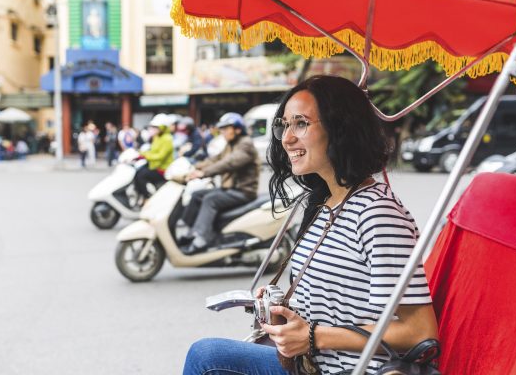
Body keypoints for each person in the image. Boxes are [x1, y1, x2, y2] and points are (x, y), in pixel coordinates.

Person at [183, 76, 438, 374]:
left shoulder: (377, 215)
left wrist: (312, 337)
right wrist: (285, 309)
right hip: (312, 364)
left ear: (340, 129)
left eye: (301, 123)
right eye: (284, 125)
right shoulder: (325, 203)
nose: (286, 138)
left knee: (207, 357)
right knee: (206, 356)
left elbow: (420, 332)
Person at [180, 112, 260, 255]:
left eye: (226, 128)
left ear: (237, 129)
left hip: (243, 191)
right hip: (229, 189)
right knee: (197, 195)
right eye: (221, 129)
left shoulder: (245, 144)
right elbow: (215, 159)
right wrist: (195, 167)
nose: (222, 132)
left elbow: (228, 163)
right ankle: (192, 231)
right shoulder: (231, 144)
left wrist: (204, 173)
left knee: (210, 199)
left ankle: (202, 238)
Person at [133, 114, 174, 198]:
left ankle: (146, 197)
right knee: (136, 173)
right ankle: (140, 195)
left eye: (156, 127)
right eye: (152, 126)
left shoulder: (168, 139)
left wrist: (145, 156)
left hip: (162, 169)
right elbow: (152, 151)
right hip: (153, 165)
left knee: (141, 176)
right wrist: (140, 154)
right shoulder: (157, 137)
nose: (153, 129)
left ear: (163, 127)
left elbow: (161, 156)